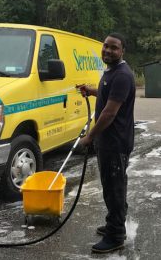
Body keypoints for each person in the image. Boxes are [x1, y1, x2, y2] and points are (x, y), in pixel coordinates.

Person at [78, 33, 135, 253]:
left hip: (115, 143)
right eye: (105, 46)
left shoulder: (122, 75)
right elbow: (107, 94)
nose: (108, 51)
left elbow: (110, 113)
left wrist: (90, 136)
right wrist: (92, 91)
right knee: (113, 187)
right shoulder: (112, 71)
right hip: (109, 142)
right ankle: (115, 222)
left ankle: (116, 235)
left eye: (114, 48)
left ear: (122, 51)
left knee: (114, 189)